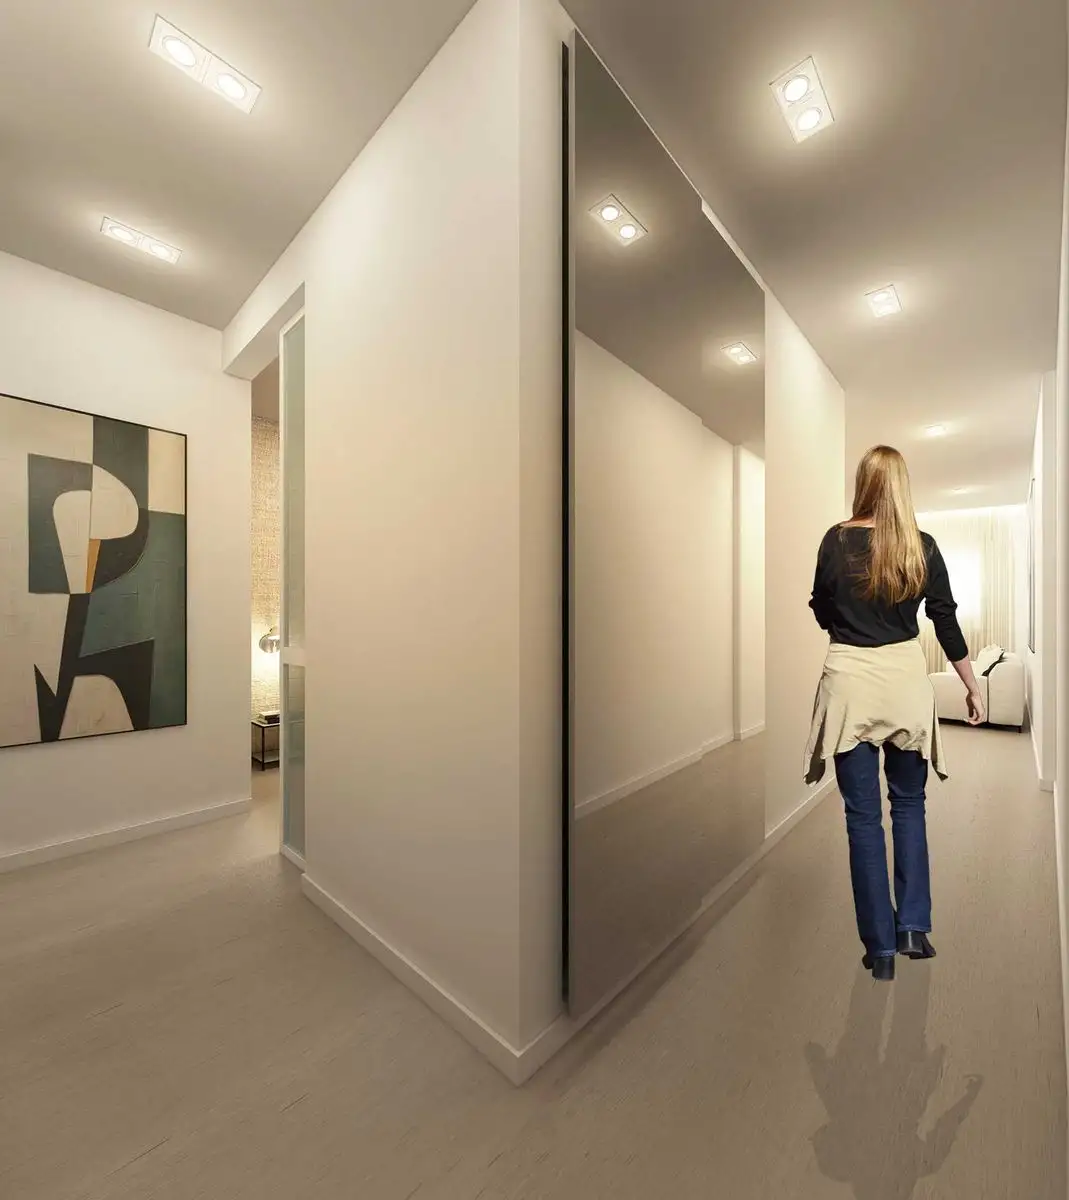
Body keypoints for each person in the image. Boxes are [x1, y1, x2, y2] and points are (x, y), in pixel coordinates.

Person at [804, 445, 984, 982]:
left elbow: (819, 605)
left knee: (862, 819)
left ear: (863, 483)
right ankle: (913, 928)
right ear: (902, 486)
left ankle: (880, 949)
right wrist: (971, 684)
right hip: (906, 682)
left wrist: (846, 624)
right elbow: (945, 619)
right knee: (908, 805)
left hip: (850, 684)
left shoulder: (836, 540)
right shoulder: (921, 546)